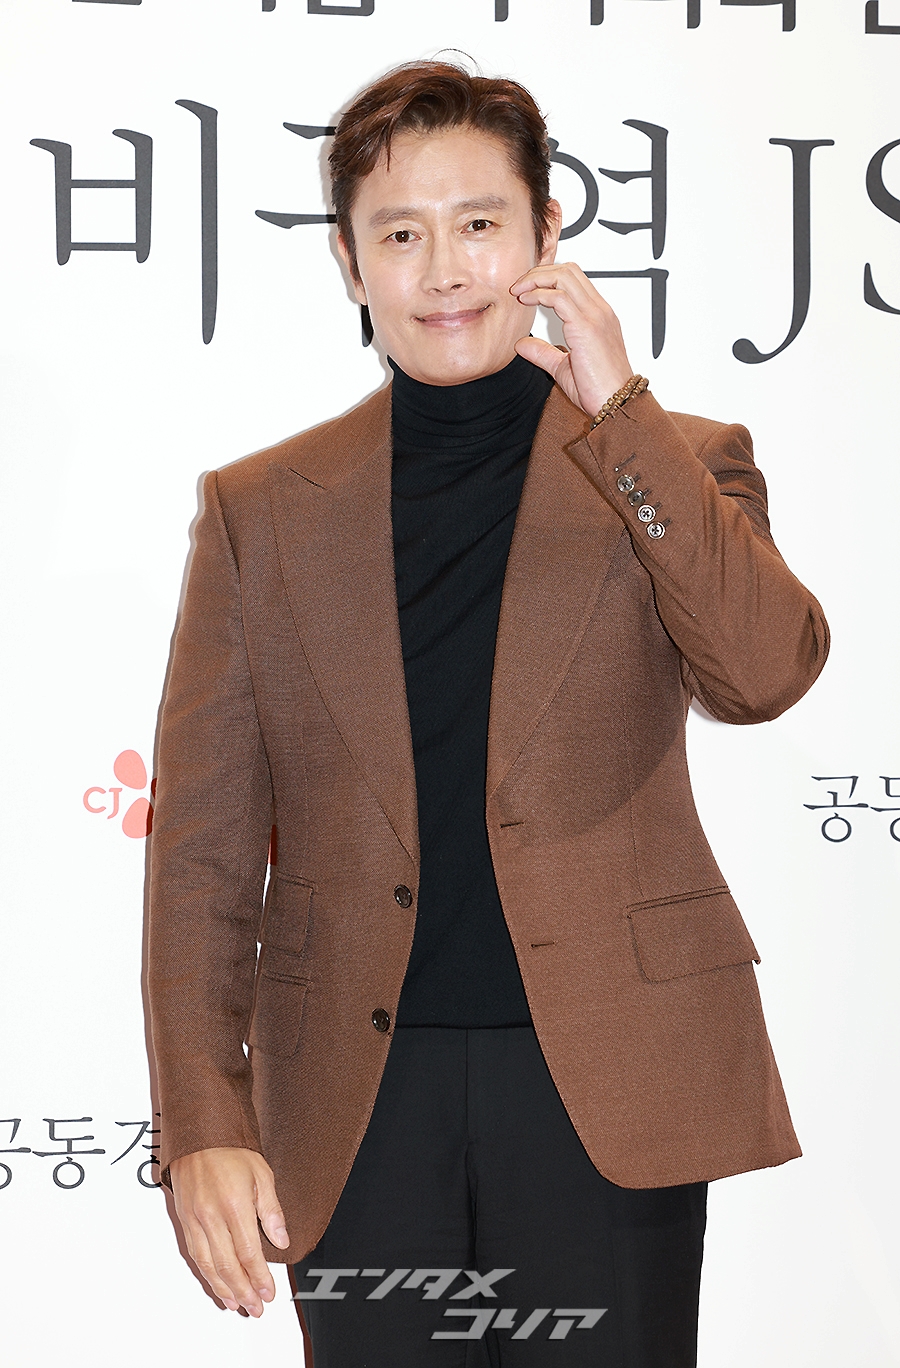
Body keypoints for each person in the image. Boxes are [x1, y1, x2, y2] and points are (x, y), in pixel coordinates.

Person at [146, 60, 829, 1366]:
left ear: (544, 233)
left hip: (604, 1084)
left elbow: (764, 674)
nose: (445, 269)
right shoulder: (261, 510)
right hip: (357, 1100)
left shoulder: (670, 460)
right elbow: (203, 851)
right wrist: (205, 1121)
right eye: (400, 234)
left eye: (478, 223)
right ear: (351, 263)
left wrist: (619, 411)